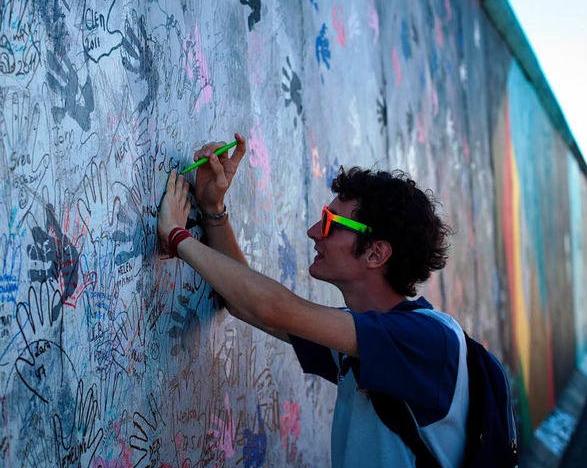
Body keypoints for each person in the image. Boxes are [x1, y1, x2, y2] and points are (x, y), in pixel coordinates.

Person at [158, 134, 469, 468]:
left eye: (330, 223)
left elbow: (273, 309)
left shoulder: (427, 341)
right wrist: (212, 209)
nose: (313, 231)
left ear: (376, 253)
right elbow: (247, 305)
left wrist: (177, 236)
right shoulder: (362, 342)